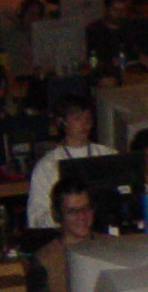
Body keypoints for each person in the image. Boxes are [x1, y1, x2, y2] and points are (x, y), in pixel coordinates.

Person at [26, 93, 115, 229]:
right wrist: (64, 215)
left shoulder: (108, 155)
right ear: (61, 122)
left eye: (88, 119)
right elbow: (36, 218)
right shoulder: (47, 165)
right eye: (77, 119)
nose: (84, 125)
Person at [21, 179, 96, 292]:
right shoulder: (44, 260)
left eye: (86, 209)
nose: (82, 216)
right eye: (73, 212)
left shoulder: (112, 246)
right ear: (58, 215)